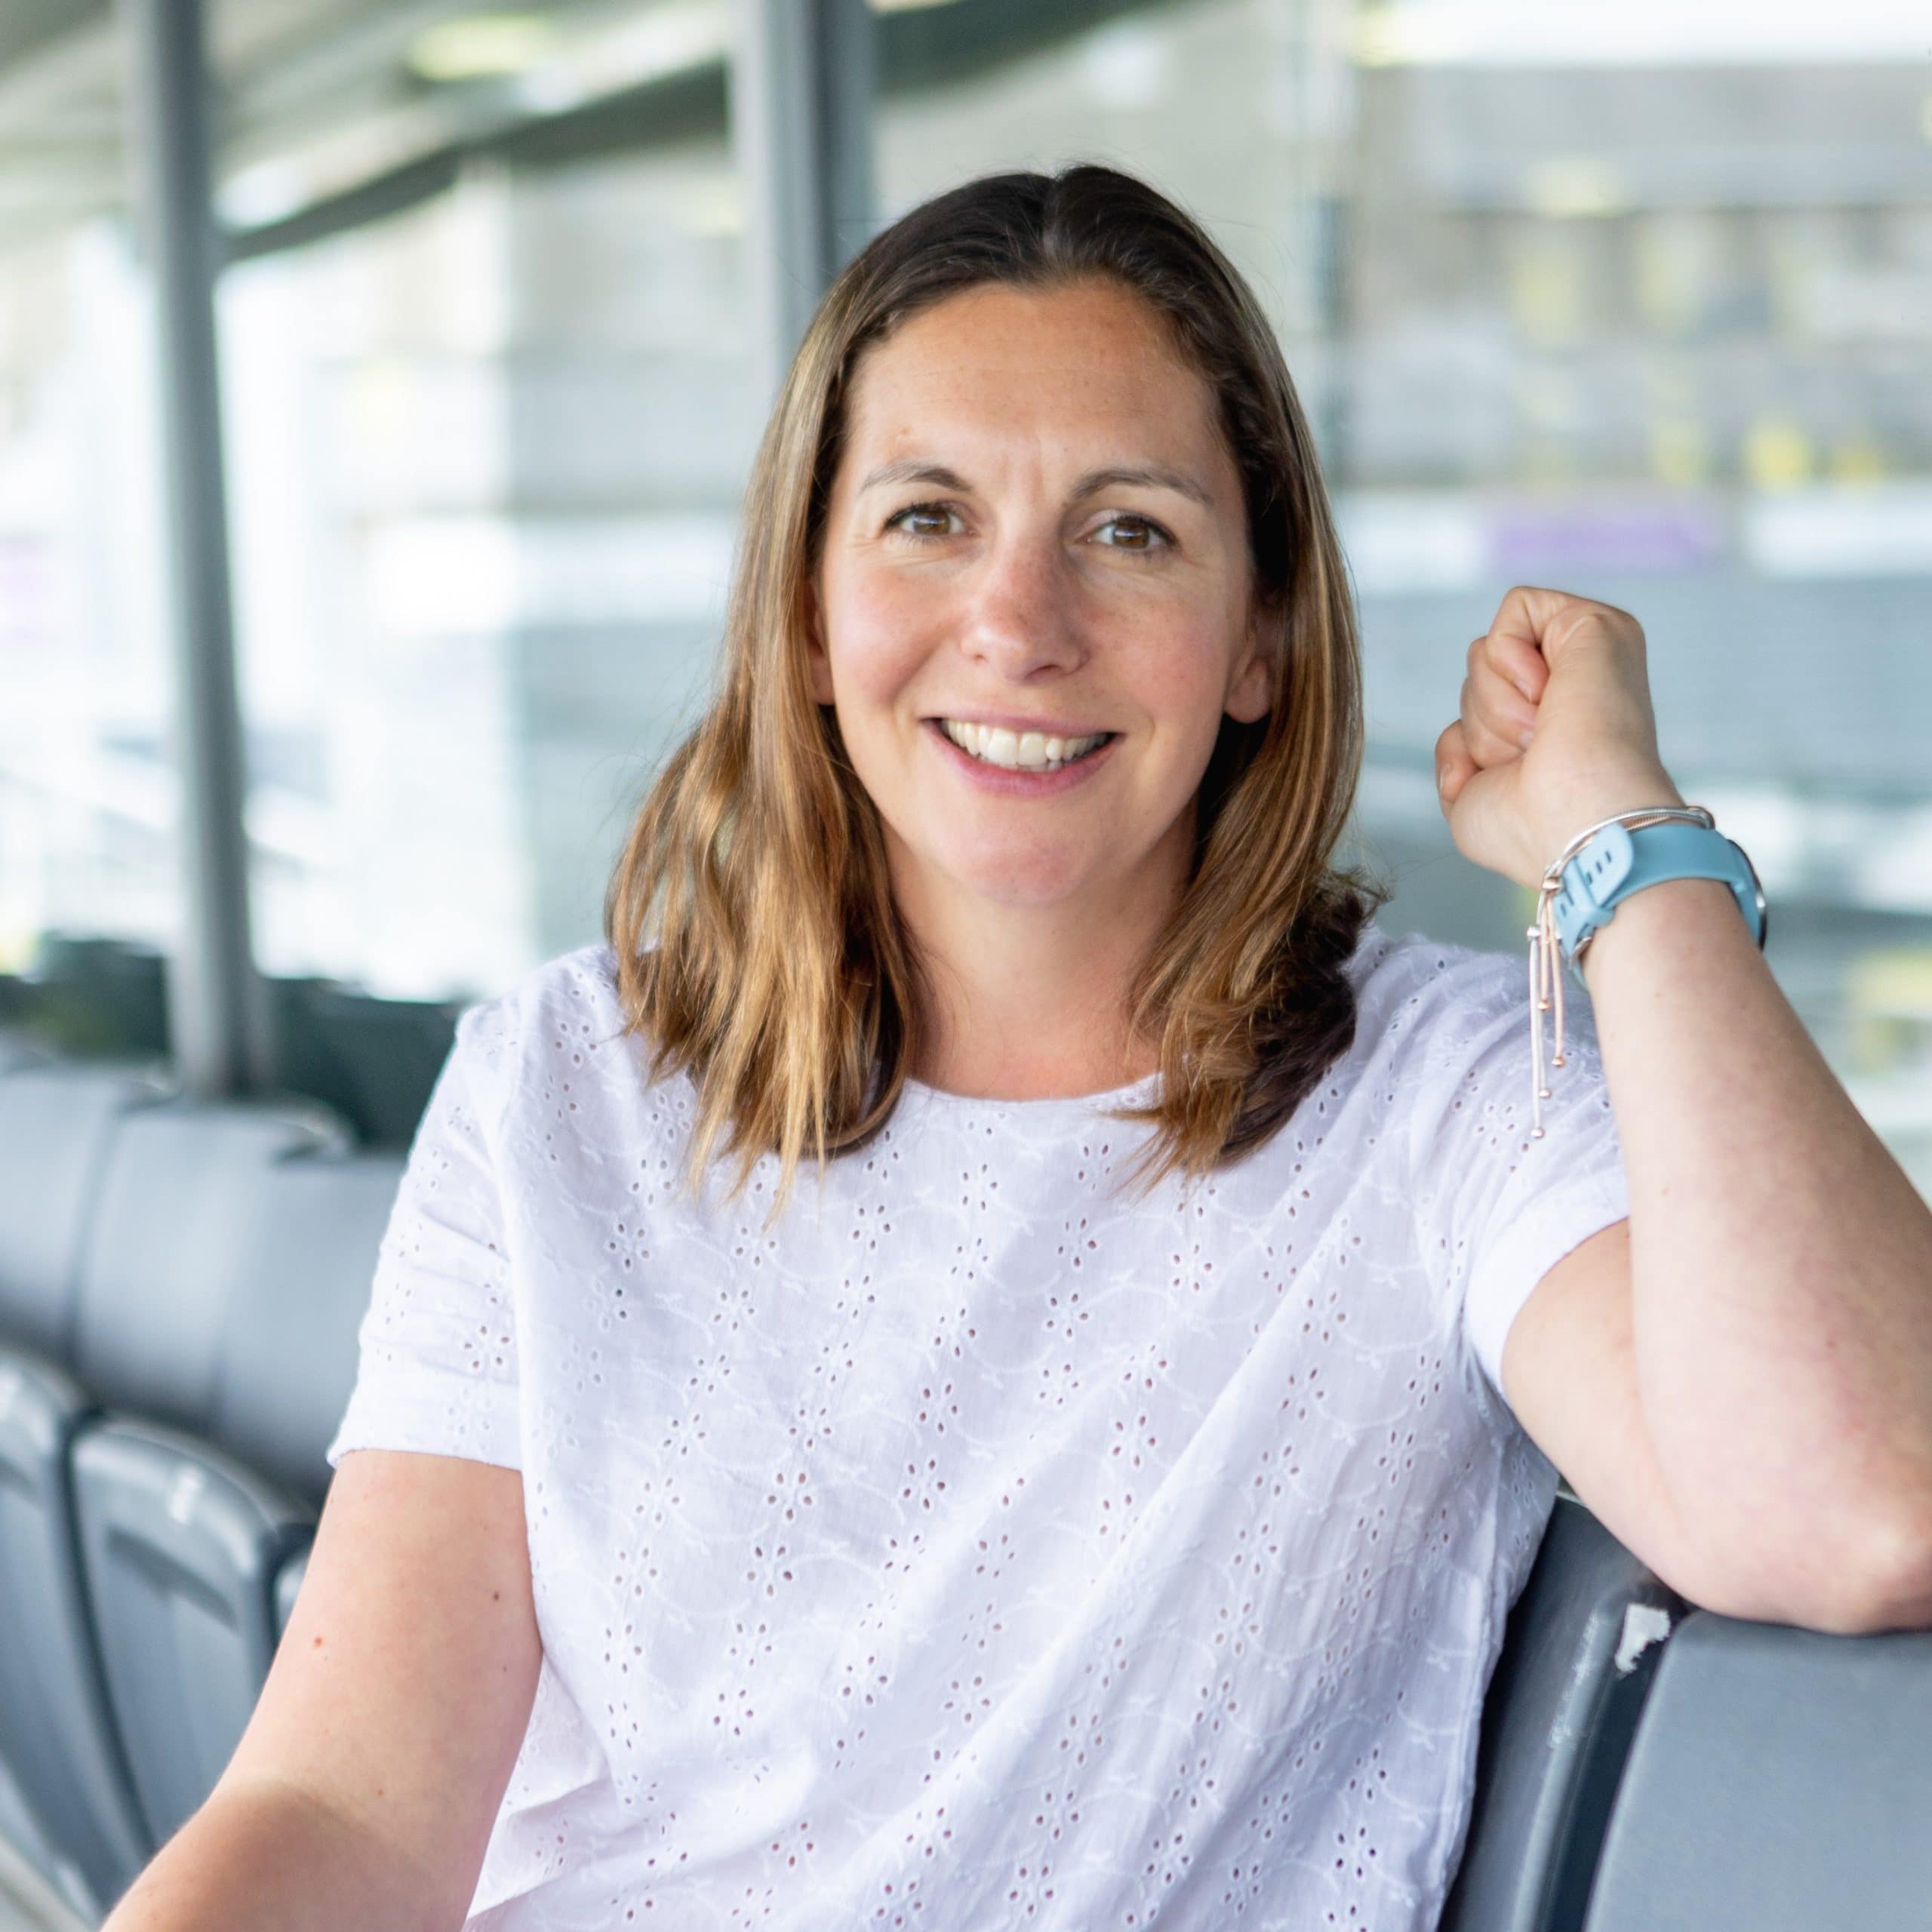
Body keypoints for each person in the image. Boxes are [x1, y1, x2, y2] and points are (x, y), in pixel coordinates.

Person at [103, 164, 1932, 1932]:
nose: (1018, 624)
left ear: (1259, 637)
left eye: (1127, 530)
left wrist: (1625, 846)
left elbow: (1864, 1501)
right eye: (926, 517)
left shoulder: (1448, 1101)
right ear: (809, 613)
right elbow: (341, 1811)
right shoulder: (566, 1081)